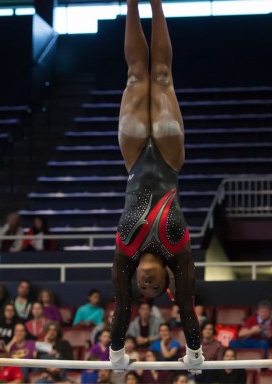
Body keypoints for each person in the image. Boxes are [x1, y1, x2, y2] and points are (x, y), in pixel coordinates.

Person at [109, 0, 202, 371]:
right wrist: (194, 354)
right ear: (168, 280)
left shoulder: (125, 256)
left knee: (135, 75)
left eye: (142, 288)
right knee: (161, 74)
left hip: (133, 158)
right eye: (154, 288)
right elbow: (188, 307)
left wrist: (116, 354)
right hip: (168, 155)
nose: (145, 286)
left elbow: (122, 308)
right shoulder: (178, 252)